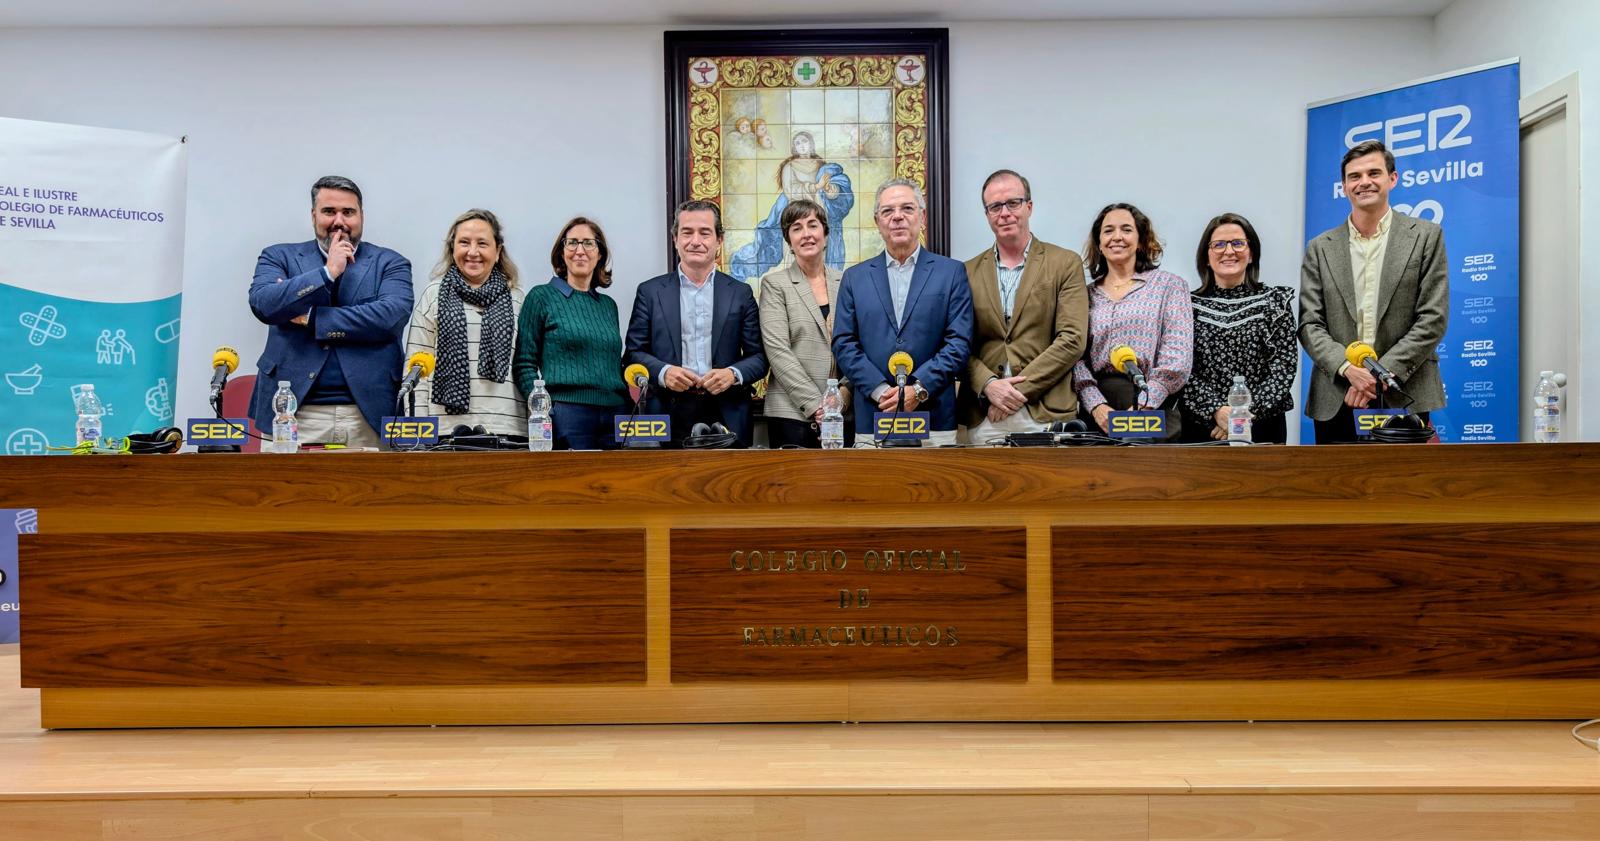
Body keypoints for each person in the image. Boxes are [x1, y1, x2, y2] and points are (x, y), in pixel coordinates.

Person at [1300, 139, 1448, 443]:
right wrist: (1347, 369)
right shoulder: (1319, 248)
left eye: (1374, 173)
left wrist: (1380, 375)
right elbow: (1309, 323)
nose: (1364, 182)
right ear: (1343, 186)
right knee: (1338, 489)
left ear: (1392, 179)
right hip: (1337, 395)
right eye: (1354, 176)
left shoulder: (1425, 237)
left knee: (1406, 489)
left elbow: (1432, 317)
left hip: (1404, 392)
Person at [248, 175, 413, 447]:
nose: (339, 221)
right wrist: (327, 273)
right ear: (314, 215)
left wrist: (311, 318)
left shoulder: (390, 263)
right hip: (290, 413)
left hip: (368, 413)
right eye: (329, 212)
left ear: (361, 216)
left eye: (348, 212)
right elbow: (265, 303)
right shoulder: (279, 257)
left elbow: (389, 317)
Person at [832, 178, 974, 446]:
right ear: (878, 222)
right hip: (874, 415)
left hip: (934, 418)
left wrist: (918, 390)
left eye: (907, 209)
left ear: (922, 217)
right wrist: (882, 391)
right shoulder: (854, 278)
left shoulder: (951, 273)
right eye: (887, 211)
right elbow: (844, 343)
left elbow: (959, 342)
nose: (897, 217)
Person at [958, 169, 1088, 444]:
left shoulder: (1064, 263)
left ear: (1029, 206)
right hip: (983, 414)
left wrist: (1015, 392)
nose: (1004, 212)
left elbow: (1073, 339)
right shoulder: (965, 272)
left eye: (1013, 203)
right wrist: (989, 385)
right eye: (995, 206)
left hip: (1046, 411)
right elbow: (957, 343)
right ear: (987, 215)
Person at [625, 200, 767, 447]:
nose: (695, 241)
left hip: (727, 413)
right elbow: (633, 355)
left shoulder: (740, 293)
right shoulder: (650, 292)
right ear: (675, 239)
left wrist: (732, 375)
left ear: (719, 241)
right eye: (687, 232)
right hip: (667, 413)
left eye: (705, 233)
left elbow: (759, 358)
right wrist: (663, 372)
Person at [1070, 202, 1192, 440]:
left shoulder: (1170, 286)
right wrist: (1096, 406)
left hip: (1153, 406)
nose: (1117, 237)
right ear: (1099, 244)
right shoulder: (1082, 294)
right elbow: (1074, 355)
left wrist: (1145, 405)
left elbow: (1178, 354)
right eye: (1108, 231)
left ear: (1141, 240)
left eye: (1126, 229)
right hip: (1098, 411)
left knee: (1148, 476)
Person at [405, 209, 527, 437]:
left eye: (482, 243)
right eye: (464, 242)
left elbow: (528, 367)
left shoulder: (518, 299)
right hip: (443, 429)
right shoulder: (433, 294)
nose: (473, 252)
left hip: (508, 428)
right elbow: (415, 369)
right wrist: (418, 431)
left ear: (498, 251)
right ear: (453, 248)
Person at [513, 217, 629, 449]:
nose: (580, 250)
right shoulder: (541, 297)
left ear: (600, 254)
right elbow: (524, 363)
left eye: (588, 243)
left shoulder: (608, 305)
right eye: (572, 243)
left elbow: (614, 365)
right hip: (566, 413)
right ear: (562, 252)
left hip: (616, 413)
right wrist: (542, 409)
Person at [1180, 213, 1297, 444]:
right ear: (1206, 256)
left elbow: (1284, 367)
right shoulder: (1184, 305)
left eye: (1238, 243)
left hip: (1263, 424)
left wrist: (1240, 418)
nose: (1229, 251)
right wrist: (1216, 410)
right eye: (1219, 245)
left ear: (1251, 253)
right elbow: (1180, 368)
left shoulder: (1275, 302)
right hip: (1202, 425)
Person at [758, 199, 852, 448]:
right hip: (790, 414)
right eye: (797, 228)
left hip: (844, 412)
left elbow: (860, 347)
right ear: (789, 240)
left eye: (813, 225)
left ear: (825, 234)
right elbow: (778, 351)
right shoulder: (775, 284)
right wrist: (817, 407)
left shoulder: (848, 282)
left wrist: (841, 398)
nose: (806, 234)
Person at [729, 130, 854, 281]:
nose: (802, 146)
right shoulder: (790, 167)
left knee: (824, 260)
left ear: (811, 144)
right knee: (795, 263)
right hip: (796, 217)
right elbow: (791, 192)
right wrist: (815, 187)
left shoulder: (823, 166)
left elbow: (833, 191)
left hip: (821, 220)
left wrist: (829, 190)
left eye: (804, 142)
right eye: (798, 143)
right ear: (794, 148)